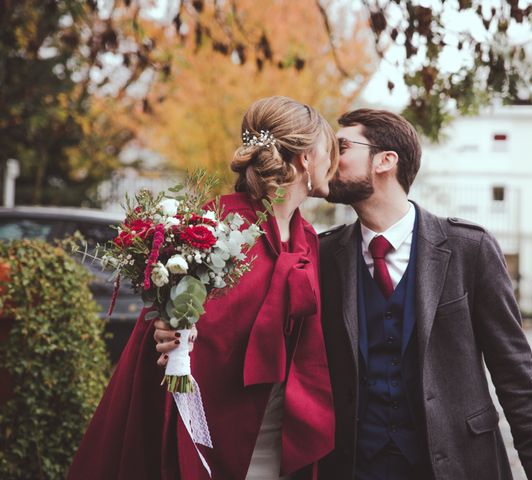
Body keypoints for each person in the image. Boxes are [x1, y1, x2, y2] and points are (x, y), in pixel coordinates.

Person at [68, 96, 337, 480]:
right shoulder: (214, 229)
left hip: (279, 437)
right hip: (209, 434)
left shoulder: (306, 239)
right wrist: (172, 329)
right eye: (328, 150)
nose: (333, 162)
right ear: (307, 159)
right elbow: (174, 319)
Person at [317, 109, 532, 480]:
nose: (330, 158)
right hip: (355, 465)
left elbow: (514, 371)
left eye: (342, 147)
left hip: (458, 463)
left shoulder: (470, 249)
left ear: (385, 160)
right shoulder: (324, 255)